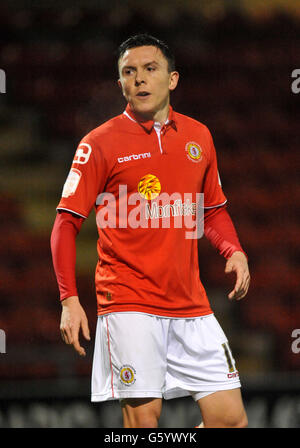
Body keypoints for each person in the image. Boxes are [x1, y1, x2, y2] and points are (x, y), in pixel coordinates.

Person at [50, 34, 250, 428]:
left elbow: (212, 210)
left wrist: (234, 252)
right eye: (129, 72)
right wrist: (69, 300)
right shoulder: (99, 143)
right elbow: (65, 224)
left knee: (230, 421)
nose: (139, 79)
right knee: (144, 425)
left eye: (150, 69)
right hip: (129, 303)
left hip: (191, 305)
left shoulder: (199, 137)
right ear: (120, 84)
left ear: (172, 79)